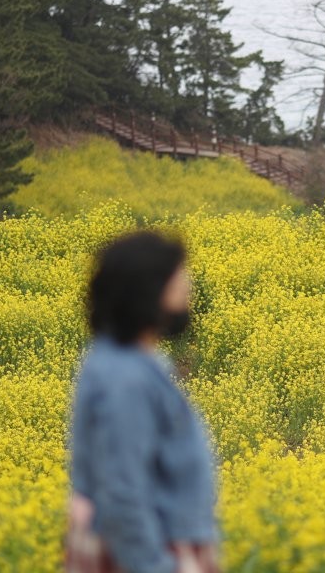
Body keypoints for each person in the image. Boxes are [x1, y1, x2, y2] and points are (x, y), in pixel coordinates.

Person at [67, 232, 219, 573]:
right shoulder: (126, 379)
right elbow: (122, 489)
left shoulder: (127, 362)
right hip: (147, 552)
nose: (188, 285)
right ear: (148, 290)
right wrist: (154, 565)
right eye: (178, 276)